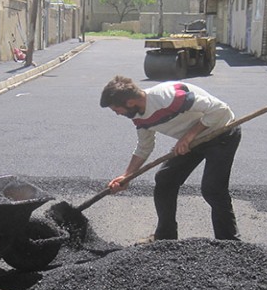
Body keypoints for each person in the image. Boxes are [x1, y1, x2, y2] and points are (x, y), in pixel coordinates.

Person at [100, 75, 242, 242]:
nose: (117, 114)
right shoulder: (138, 116)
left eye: (116, 109)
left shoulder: (168, 97)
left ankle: (230, 242)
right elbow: (144, 147)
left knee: (212, 189)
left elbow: (220, 110)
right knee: (165, 179)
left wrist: (188, 136)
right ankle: (165, 238)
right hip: (193, 141)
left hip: (222, 132)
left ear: (130, 102)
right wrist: (127, 176)